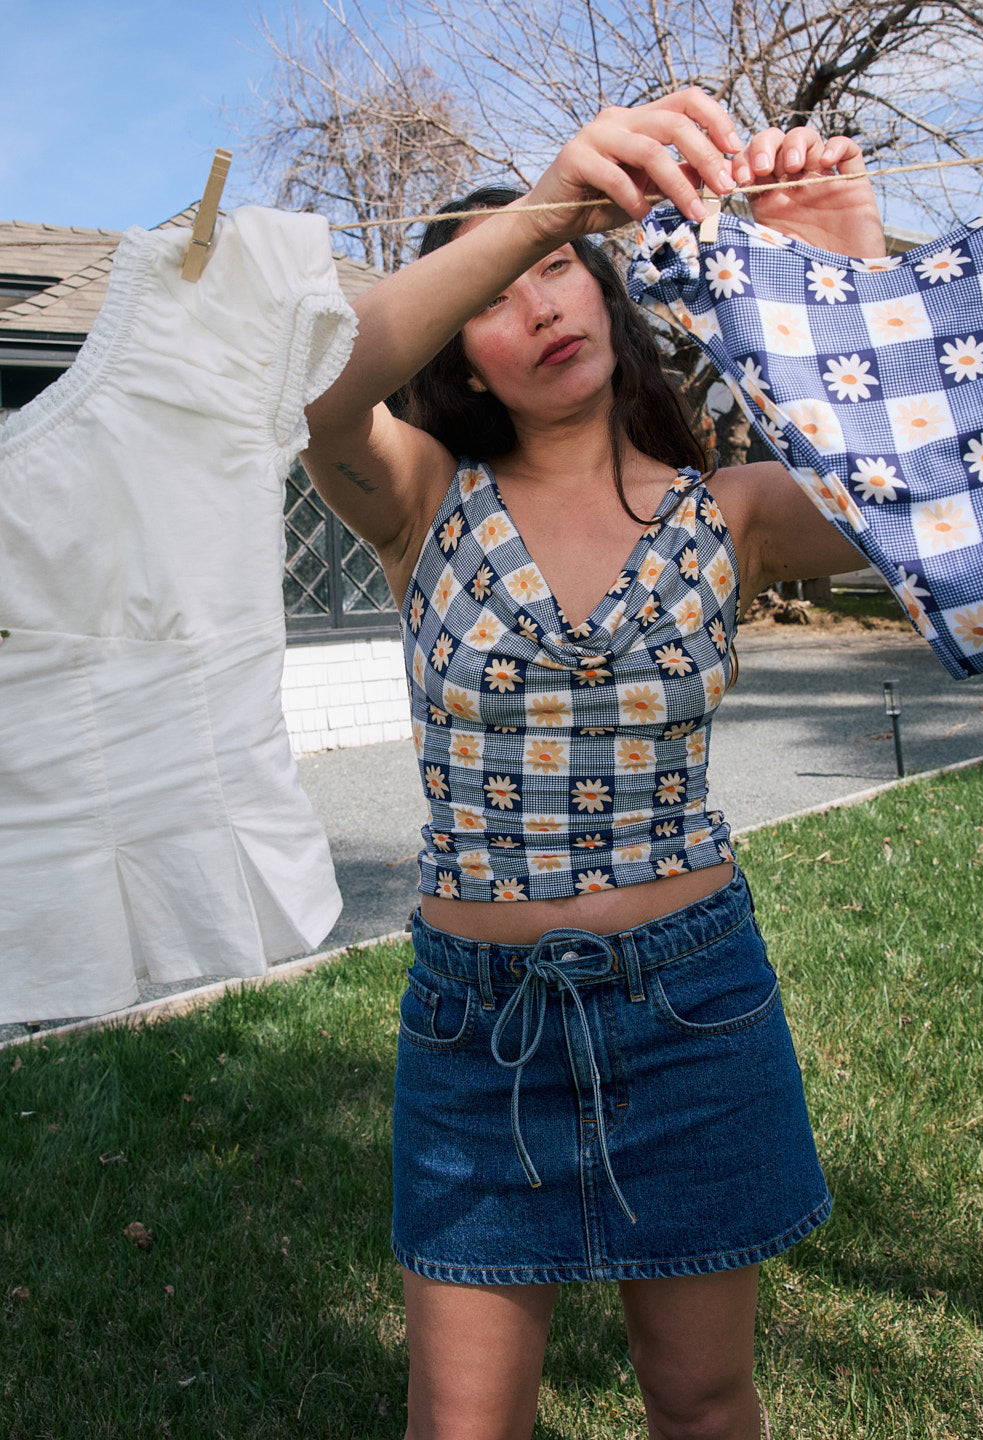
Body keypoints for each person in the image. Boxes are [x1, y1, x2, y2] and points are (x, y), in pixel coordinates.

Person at [303, 89, 884, 1440]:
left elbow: (899, 501)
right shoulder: (423, 497)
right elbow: (315, 391)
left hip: (694, 1011)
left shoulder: (726, 514)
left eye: (565, 265)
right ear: (464, 347)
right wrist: (545, 203)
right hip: (477, 1031)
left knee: (700, 1395)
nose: (543, 300)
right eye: (507, 281)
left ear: (613, 301)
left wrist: (843, 262)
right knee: (462, 1425)